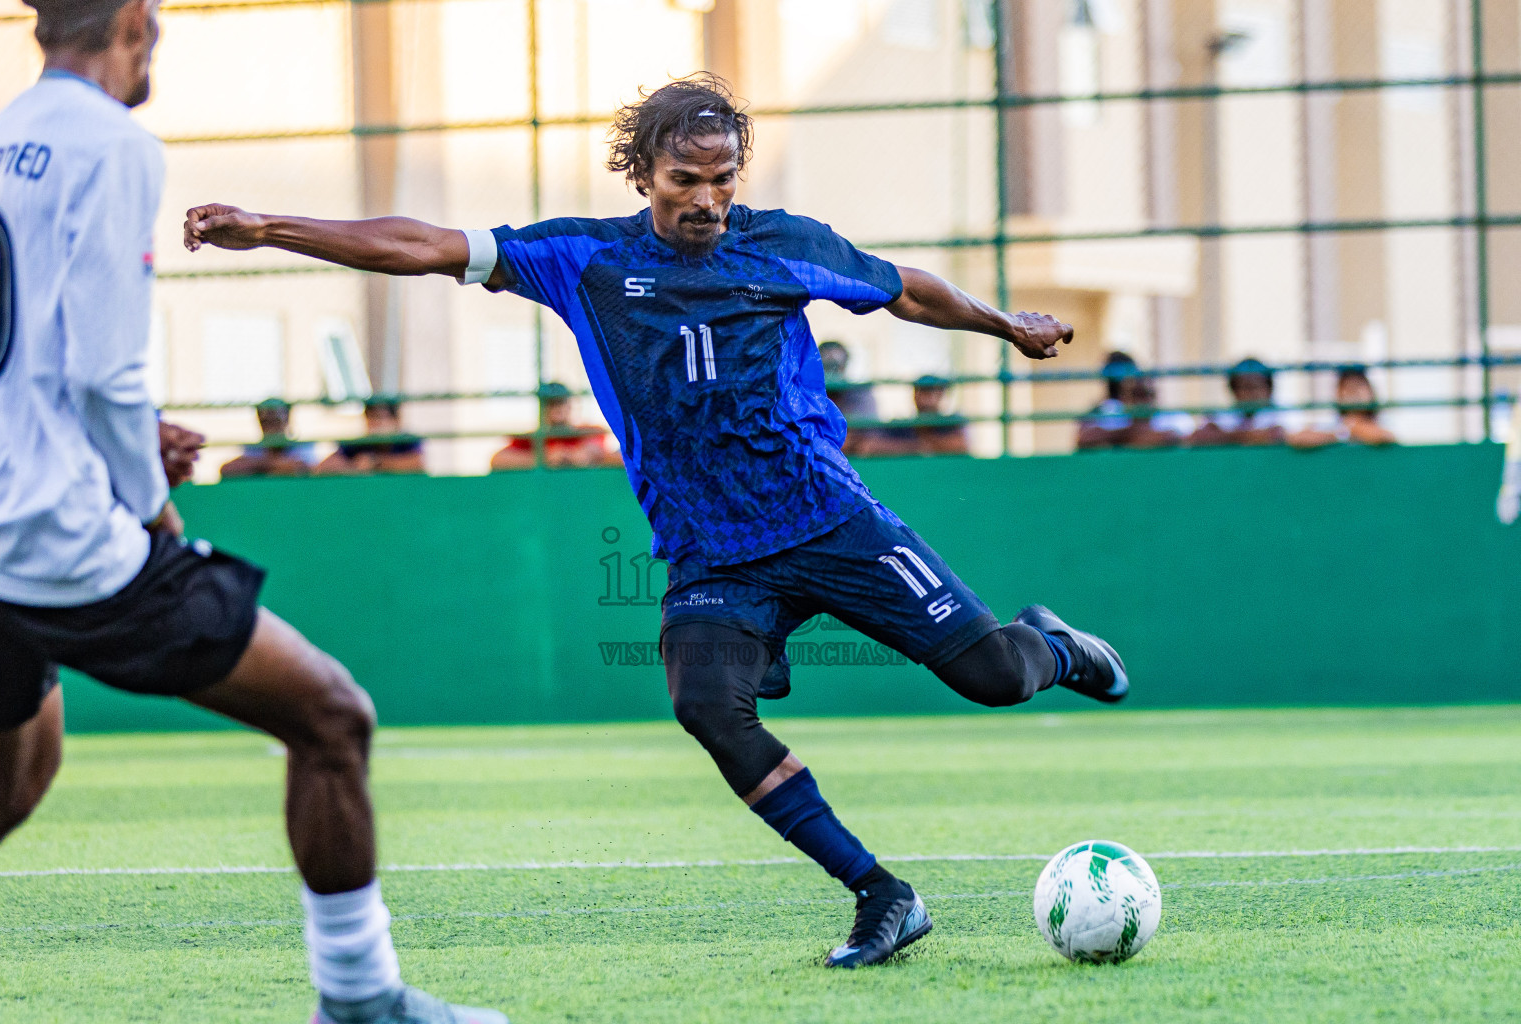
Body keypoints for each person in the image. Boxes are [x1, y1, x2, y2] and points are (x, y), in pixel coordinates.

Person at [183, 72, 1130, 971]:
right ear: (642, 176)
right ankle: (881, 894)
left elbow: (907, 288)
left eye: (723, 180)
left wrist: (1007, 324)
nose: (707, 200)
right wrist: (270, 227)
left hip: (828, 520)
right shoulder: (586, 260)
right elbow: (424, 246)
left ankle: (1051, 643)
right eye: (685, 180)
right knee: (708, 708)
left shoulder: (782, 242)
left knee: (997, 678)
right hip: (711, 552)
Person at [0, 4, 506, 1022]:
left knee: (12, 780)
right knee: (330, 715)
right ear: (136, 19)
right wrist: (154, 514)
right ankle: (361, 999)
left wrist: (117, 433)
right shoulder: (116, 142)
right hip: (58, 537)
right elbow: (104, 370)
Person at [489, 381, 622, 470]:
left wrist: (574, 456)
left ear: (569, 405)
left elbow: (596, 452)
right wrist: (544, 459)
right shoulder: (532, 439)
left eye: (560, 403)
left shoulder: (588, 432)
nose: (557, 409)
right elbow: (497, 460)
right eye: (551, 404)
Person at [1076, 351, 1193, 450]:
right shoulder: (1111, 414)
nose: (1143, 401)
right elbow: (1085, 439)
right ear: (1124, 398)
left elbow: (1188, 438)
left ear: (1156, 395)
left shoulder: (1173, 417)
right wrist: (1132, 433)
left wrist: (1122, 438)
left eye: (1148, 394)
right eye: (1136, 394)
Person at [1290, 365, 1398, 449]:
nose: (1353, 392)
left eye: (1358, 386)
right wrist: (1339, 434)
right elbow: (1298, 439)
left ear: (1370, 390)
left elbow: (1384, 437)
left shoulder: (1383, 421)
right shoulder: (1333, 424)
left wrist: (1354, 429)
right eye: (1346, 388)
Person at [316, 396, 426, 476]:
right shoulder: (359, 444)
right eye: (370, 418)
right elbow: (324, 466)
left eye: (379, 417)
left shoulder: (406, 441)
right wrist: (354, 467)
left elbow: (418, 463)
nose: (374, 424)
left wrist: (376, 463)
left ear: (396, 421)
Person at [1190, 357, 1287, 447]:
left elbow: (1279, 434)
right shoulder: (1221, 415)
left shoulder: (1283, 413)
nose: (1251, 393)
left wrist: (1226, 436)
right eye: (1245, 387)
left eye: (1256, 386)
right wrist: (1257, 436)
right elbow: (1199, 436)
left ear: (1269, 390)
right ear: (1233, 391)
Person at [871, 375, 970, 456]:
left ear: (941, 395)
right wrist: (916, 446)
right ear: (914, 395)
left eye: (930, 391)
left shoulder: (952, 422)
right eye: (921, 391)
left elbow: (960, 446)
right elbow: (870, 447)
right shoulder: (900, 426)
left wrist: (925, 442)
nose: (926, 397)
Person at [818, 340, 883, 456]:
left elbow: (866, 442)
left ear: (844, 367)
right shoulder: (804, 395)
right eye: (825, 366)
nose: (831, 372)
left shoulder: (860, 395)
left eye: (836, 366)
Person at [220, 398, 314, 478]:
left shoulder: (303, 446)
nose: (270, 428)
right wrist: (275, 465)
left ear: (287, 420)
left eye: (275, 421)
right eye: (265, 422)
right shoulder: (253, 449)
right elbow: (227, 469)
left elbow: (304, 468)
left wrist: (258, 467)